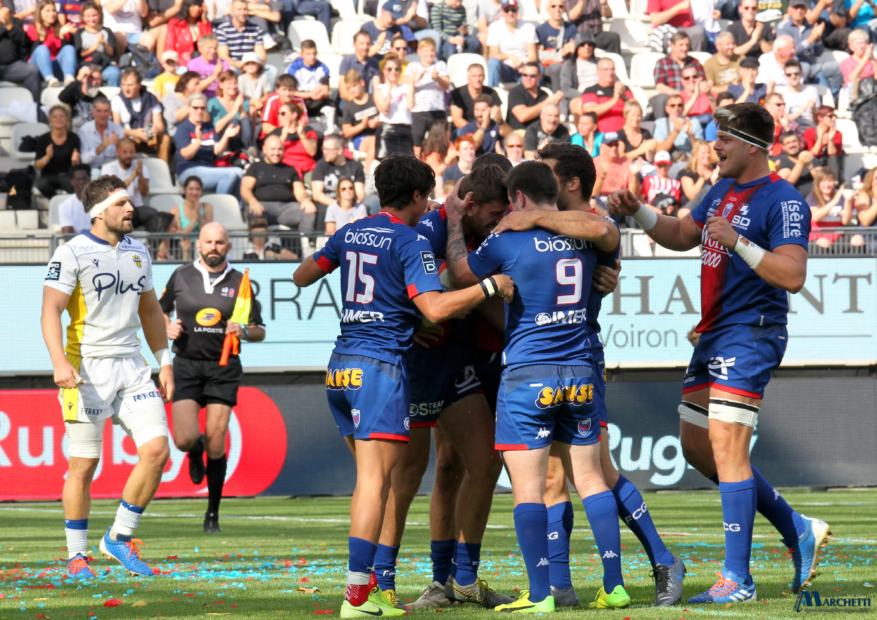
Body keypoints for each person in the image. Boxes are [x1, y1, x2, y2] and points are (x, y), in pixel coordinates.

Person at [608, 102, 828, 604]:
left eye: (723, 138)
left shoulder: (784, 200)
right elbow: (684, 235)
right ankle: (796, 527)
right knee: (697, 448)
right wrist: (637, 211)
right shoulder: (721, 190)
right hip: (713, 334)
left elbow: (793, 276)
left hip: (751, 333)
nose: (714, 146)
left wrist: (743, 245)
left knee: (729, 451)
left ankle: (738, 581)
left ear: (751, 145)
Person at [291, 155, 514, 619]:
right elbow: (433, 309)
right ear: (418, 196)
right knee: (386, 482)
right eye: (428, 195)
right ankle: (369, 593)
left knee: (460, 467)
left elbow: (302, 275)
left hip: (345, 365)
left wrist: (380, 308)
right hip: (387, 370)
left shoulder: (350, 231)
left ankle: (455, 580)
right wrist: (489, 288)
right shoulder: (413, 238)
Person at [490, 142, 685, 608]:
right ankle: (560, 583)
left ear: (571, 183)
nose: (541, 182)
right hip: (558, 360)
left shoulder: (594, 226)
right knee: (557, 476)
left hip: (579, 359)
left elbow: (601, 230)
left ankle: (662, 558)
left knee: (596, 470)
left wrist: (529, 218)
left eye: (549, 173)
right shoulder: (571, 233)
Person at [443, 160, 627, 613]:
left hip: (529, 374)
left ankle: (541, 595)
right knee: (590, 478)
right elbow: (609, 239)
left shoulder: (508, 240)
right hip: (580, 370)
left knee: (529, 487)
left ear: (518, 198)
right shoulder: (585, 233)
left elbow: (461, 275)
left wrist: (451, 222)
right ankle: (614, 585)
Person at [381, 165, 514, 613]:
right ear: (470, 203)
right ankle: (384, 583)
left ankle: (462, 578)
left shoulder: (483, 231)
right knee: (408, 476)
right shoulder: (428, 228)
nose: (499, 223)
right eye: (494, 215)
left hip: (457, 360)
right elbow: (424, 288)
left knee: (483, 462)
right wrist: (412, 320)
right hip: (416, 365)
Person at [41, 174, 173, 580]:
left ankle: (119, 536)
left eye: (129, 203)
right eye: (121, 204)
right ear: (100, 212)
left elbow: (151, 313)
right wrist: (59, 363)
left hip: (132, 367)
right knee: (84, 464)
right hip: (86, 371)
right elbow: (50, 312)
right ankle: (77, 555)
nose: (130, 209)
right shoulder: (71, 253)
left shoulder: (139, 252)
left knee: (157, 452)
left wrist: (164, 361)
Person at [160, 222, 265, 533]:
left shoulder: (241, 282)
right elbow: (159, 311)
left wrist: (244, 331)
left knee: (217, 444)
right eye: (208, 242)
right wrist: (167, 327)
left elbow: (259, 330)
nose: (214, 247)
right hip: (187, 366)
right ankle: (195, 450)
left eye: (220, 242)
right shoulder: (181, 275)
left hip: (223, 368)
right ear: (199, 245)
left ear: (229, 246)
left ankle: (212, 515)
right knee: (183, 439)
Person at [242, 134, 316, 237]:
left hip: (286, 209)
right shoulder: (255, 168)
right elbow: (245, 189)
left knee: (308, 212)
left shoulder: (291, 169)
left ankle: (307, 247)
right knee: (254, 213)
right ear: (264, 149)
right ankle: (259, 251)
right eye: (272, 149)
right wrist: (253, 202)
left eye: (279, 149)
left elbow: (299, 192)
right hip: (262, 207)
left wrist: (305, 200)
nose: (276, 153)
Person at [174, 92, 245, 194]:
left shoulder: (208, 127)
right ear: (189, 108)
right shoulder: (183, 128)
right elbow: (186, 155)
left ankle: (238, 207)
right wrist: (198, 140)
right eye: (195, 108)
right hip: (188, 170)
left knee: (239, 172)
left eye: (202, 108)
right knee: (229, 175)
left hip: (208, 169)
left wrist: (226, 136)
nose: (199, 111)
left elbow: (218, 150)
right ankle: (221, 206)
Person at [776, 1, 842, 95]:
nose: (799, 10)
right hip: (795, 68)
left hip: (813, 66)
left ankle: (835, 96)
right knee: (806, 68)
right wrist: (811, 39)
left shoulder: (810, 26)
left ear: (806, 10)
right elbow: (789, 52)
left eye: (802, 8)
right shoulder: (783, 27)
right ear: (789, 10)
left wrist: (818, 39)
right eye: (796, 7)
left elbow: (818, 53)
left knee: (837, 67)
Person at [403, 37, 449, 158]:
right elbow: (404, 81)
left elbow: (446, 84)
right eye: (426, 50)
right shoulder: (413, 66)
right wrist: (416, 78)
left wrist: (437, 78)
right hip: (418, 111)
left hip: (437, 110)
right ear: (419, 52)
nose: (429, 54)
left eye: (432, 51)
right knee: (416, 143)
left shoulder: (440, 65)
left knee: (438, 144)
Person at [112, 68, 172, 162]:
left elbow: (160, 125)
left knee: (165, 139)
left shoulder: (151, 99)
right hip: (129, 139)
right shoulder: (117, 100)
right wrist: (135, 133)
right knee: (120, 141)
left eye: (130, 85)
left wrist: (155, 130)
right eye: (123, 85)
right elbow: (116, 128)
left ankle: (162, 168)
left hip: (148, 138)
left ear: (139, 85)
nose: (126, 89)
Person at [100, 138, 156, 226]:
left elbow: (144, 193)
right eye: (125, 152)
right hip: (118, 209)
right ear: (117, 152)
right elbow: (115, 191)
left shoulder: (140, 167)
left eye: (131, 152)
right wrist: (133, 176)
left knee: (154, 214)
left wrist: (140, 174)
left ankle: (154, 240)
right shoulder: (108, 168)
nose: (129, 156)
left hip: (137, 208)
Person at [215, 0, 273, 85]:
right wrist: (241, 65)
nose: (242, 12)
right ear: (232, 10)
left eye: (245, 9)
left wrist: (251, 65)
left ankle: (267, 96)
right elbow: (223, 57)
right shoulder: (222, 29)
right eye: (239, 9)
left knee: (272, 70)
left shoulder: (256, 29)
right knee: (231, 72)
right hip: (234, 65)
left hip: (252, 64)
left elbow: (262, 55)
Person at [25, 0, 76, 87]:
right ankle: (49, 79)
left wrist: (62, 36)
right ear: (40, 12)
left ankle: (69, 78)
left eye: (53, 11)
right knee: (42, 49)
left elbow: (64, 53)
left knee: (69, 48)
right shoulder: (33, 27)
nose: (52, 14)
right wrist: (41, 35)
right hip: (37, 67)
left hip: (55, 65)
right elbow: (35, 51)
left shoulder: (61, 28)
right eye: (47, 11)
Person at [486, 0, 537, 87]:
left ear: (518, 10)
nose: (510, 13)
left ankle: (536, 97)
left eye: (513, 10)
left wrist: (525, 67)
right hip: (505, 69)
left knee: (538, 68)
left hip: (524, 68)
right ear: (502, 11)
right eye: (507, 10)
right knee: (493, 62)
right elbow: (493, 54)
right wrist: (509, 56)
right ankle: (491, 94)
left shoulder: (528, 27)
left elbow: (533, 56)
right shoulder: (494, 27)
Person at [312, 134, 367, 214]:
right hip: (328, 204)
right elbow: (317, 194)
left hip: (351, 204)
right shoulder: (321, 165)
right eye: (323, 149)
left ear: (340, 150)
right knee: (325, 211)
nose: (324, 152)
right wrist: (337, 205)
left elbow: (360, 193)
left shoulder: (356, 166)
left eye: (328, 150)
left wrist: (351, 205)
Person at [35, 104, 81, 199]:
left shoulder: (74, 138)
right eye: (55, 117)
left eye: (61, 116)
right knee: (41, 184)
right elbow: (38, 166)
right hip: (48, 176)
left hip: (67, 175)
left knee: (78, 186)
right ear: (50, 120)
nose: (58, 119)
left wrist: (75, 161)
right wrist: (47, 157)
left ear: (67, 119)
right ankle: (56, 202)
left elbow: (76, 166)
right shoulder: (43, 139)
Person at [375, 55, 415, 158]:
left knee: (407, 164)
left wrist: (411, 84)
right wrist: (390, 90)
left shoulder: (405, 88)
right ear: (384, 71)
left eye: (396, 69)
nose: (393, 72)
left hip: (405, 131)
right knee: (386, 164)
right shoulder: (380, 88)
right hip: (388, 130)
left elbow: (410, 105)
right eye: (389, 69)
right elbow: (384, 110)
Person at [577, 57, 632, 132]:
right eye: (605, 70)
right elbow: (590, 112)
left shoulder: (624, 89)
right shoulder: (590, 90)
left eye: (612, 69)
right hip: (600, 135)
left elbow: (635, 110)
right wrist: (615, 99)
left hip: (625, 133)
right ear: (598, 72)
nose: (610, 72)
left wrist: (624, 97)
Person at [72, 2, 119, 87]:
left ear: (99, 15)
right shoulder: (79, 33)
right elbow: (79, 53)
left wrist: (103, 43)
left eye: (94, 15)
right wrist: (95, 46)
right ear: (83, 17)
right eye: (88, 16)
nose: (92, 19)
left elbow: (112, 53)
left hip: (104, 65)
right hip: (87, 64)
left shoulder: (107, 31)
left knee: (114, 73)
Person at [654, 31, 706, 107]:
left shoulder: (695, 62)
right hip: (673, 102)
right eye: (681, 45)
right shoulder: (662, 63)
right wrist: (680, 97)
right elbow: (660, 86)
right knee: (661, 99)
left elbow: (703, 83)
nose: (685, 48)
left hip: (694, 100)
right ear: (672, 46)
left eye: (687, 45)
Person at [340, 69, 379, 170]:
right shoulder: (349, 107)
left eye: (354, 86)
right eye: (349, 88)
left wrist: (377, 121)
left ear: (362, 83)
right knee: (375, 141)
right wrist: (362, 125)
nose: (352, 90)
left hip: (379, 132)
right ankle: (368, 173)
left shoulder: (374, 98)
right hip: (360, 139)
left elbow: (385, 115)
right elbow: (346, 132)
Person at [0, 7, 41, 101]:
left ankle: (33, 109)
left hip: (11, 66)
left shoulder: (13, 20)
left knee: (32, 70)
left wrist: (10, 25)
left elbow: (23, 41)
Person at [268, 101, 318, 179]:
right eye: (278, 114)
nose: (279, 116)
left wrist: (301, 134)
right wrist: (283, 137)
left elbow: (312, 152)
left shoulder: (308, 130)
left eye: (283, 113)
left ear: (294, 115)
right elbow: (270, 155)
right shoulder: (276, 133)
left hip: (307, 170)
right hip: (284, 170)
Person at [508, 62, 563, 131]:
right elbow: (522, 116)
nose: (528, 78)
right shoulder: (516, 92)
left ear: (539, 77)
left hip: (539, 134)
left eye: (532, 76)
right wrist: (546, 103)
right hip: (520, 133)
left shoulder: (544, 94)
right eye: (525, 75)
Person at [536, 0, 577, 93]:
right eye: (553, 6)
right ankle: (557, 98)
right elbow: (540, 56)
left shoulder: (571, 28)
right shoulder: (541, 29)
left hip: (567, 63)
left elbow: (573, 47)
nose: (557, 9)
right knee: (557, 68)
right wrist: (560, 53)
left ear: (565, 9)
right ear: (548, 9)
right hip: (549, 66)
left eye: (560, 6)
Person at [806, 168, 852, 249]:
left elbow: (846, 221)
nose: (827, 185)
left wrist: (847, 202)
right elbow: (815, 217)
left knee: (856, 240)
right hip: (817, 239)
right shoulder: (812, 197)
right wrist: (834, 202)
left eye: (830, 181)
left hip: (837, 239)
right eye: (823, 181)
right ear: (818, 183)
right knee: (823, 243)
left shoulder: (840, 198)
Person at [169, 176, 214, 260]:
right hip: (183, 248)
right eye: (191, 189)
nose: (194, 192)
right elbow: (180, 235)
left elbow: (209, 233)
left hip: (202, 247)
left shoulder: (207, 207)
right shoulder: (176, 210)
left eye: (197, 189)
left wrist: (200, 217)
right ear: (185, 190)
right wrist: (194, 220)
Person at [209, 69, 253, 151]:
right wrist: (234, 111)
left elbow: (246, 122)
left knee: (245, 121)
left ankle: (248, 151)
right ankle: (236, 153)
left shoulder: (243, 101)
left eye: (235, 83)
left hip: (242, 138)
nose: (233, 86)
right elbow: (217, 128)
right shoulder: (213, 102)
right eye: (229, 83)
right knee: (233, 121)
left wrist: (240, 106)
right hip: (223, 139)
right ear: (221, 85)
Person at [287, 38, 331, 119]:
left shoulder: (323, 68)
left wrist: (319, 95)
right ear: (301, 54)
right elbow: (290, 92)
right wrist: (311, 94)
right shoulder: (293, 69)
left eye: (314, 54)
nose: (312, 57)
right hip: (299, 100)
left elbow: (325, 92)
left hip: (318, 99)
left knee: (331, 104)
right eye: (308, 54)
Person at [80, 95, 126, 171]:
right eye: (99, 111)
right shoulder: (84, 130)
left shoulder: (118, 129)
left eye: (106, 111)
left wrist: (119, 146)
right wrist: (102, 146)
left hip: (114, 169)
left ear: (110, 113)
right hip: (93, 169)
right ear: (93, 113)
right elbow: (84, 160)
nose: (102, 115)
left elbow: (124, 156)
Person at [449, 63, 502, 130]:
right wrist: (476, 131)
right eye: (474, 76)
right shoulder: (457, 93)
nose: (477, 79)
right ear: (468, 78)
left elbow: (499, 117)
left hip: (487, 129)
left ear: (484, 77)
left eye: (480, 76)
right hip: (464, 129)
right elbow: (457, 120)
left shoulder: (492, 93)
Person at [260, 74, 309, 140]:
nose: (287, 94)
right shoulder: (272, 101)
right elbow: (266, 127)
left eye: (290, 90)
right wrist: (284, 132)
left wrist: (292, 132)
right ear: (277, 90)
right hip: (276, 133)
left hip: (295, 132)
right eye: (284, 90)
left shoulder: (299, 100)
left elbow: (304, 122)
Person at [559, 32, 597, 116]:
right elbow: (566, 90)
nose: (586, 47)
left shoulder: (600, 63)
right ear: (577, 47)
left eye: (590, 44)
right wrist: (587, 96)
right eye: (582, 44)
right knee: (579, 103)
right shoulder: (569, 65)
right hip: (579, 98)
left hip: (601, 96)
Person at [165, 0, 212, 65]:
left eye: (199, 6)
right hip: (182, 64)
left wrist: (204, 20)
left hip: (202, 63)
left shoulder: (203, 24)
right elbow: (170, 48)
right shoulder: (175, 24)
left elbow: (210, 43)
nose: (197, 9)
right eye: (193, 5)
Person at [339, 31, 381, 103]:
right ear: (355, 45)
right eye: (362, 44)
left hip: (365, 101)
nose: (365, 47)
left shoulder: (374, 62)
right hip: (348, 103)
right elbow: (343, 92)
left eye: (368, 44)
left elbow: (377, 88)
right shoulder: (346, 62)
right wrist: (358, 103)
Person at [677, 139, 717, 213]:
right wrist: (702, 178)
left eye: (708, 152)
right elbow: (691, 196)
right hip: (689, 208)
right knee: (707, 189)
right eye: (703, 153)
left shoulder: (715, 171)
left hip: (709, 208)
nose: (707, 155)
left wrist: (714, 181)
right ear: (696, 155)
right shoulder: (687, 172)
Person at [778, 58, 820, 129]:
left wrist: (814, 108)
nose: (793, 76)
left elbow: (817, 119)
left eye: (796, 74)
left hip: (809, 129)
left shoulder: (811, 91)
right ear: (785, 76)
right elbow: (783, 120)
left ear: (801, 74)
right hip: (789, 129)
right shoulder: (780, 93)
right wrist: (803, 108)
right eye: (789, 74)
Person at [591, 131, 630, 206]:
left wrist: (634, 176)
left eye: (616, 144)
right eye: (610, 145)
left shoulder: (626, 163)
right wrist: (602, 176)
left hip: (621, 200)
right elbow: (593, 194)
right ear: (602, 147)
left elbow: (634, 194)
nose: (614, 148)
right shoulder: (593, 163)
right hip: (601, 200)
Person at [803, 105, 843, 178]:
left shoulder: (837, 134)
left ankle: (834, 181)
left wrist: (830, 140)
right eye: (830, 116)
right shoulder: (809, 132)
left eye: (834, 116)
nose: (834, 119)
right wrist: (819, 139)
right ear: (820, 118)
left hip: (829, 165)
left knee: (833, 157)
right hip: (813, 165)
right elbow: (812, 154)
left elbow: (833, 154)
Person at [59, 64, 102, 129]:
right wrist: (78, 78)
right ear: (84, 78)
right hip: (74, 131)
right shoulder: (74, 92)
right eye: (91, 78)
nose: (95, 82)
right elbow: (62, 97)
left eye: (98, 79)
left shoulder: (101, 98)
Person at [773, 131, 816, 197]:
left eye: (794, 141)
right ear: (783, 146)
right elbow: (787, 185)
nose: (792, 145)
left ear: (799, 142)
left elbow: (821, 180)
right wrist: (801, 163)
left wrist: (811, 168)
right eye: (788, 143)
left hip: (816, 198)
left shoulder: (808, 156)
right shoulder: (781, 160)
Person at [187, 34, 229, 99]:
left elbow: (228, 87)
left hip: (219, 98)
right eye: (209, 48)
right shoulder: (193, 64)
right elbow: (195, 89)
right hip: (200, 98)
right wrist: (215, 76)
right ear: (200, 48)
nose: (212, 51)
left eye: (215, 48)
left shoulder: (223, 63)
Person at [163, 70, 203, 137]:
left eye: (199, 84)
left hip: (196, 135)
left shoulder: (200, 99)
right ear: (186, 84)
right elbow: (172, 118)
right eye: (196, 84)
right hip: (175, 135)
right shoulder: (169, 98)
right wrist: (192, 102)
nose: (199, 87)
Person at [58, 164, 93, 234]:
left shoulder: (100, 202)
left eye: (84, 179)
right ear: (72, 182)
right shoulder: (65, 206)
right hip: (75, 244)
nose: (81, 182)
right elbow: (67, 236)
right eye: (78, 179)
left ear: (89, 179)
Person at [704, 32, 741, 98]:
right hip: (721, 97)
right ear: (718, 46)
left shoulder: (740, 59)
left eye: (732, 43)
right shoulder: (709, 63)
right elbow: (710, 88)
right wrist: (730, 87)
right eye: (728, 44)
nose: (731, 46)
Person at [237, 52, 270, 117]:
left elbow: (267, 95)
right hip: (246, 104)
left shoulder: (263, 77)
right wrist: (253, 103)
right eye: (247, 64)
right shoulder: (241, 78)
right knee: (252, 111)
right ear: (243, 67)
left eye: (253, 63)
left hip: (261, 104)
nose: (250, 66)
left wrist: (259, 101)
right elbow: (241, 97)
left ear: (258, 65)